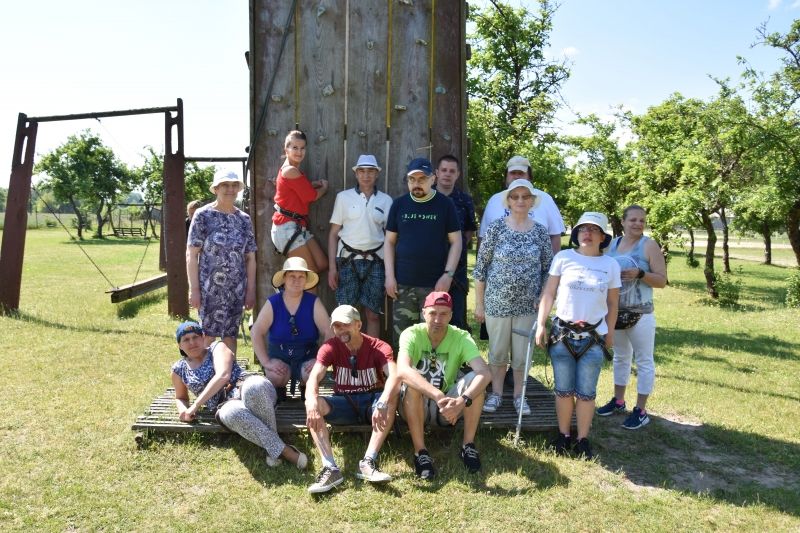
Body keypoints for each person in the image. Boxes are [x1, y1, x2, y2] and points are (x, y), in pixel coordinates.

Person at [535, 212, 620, 460]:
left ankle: (582, 439)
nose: (587, 233)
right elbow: (549, 293)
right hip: (562, 335)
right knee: (563, 390)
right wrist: (541, 324)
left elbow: (613, 303)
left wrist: (610, 332)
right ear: (576, 234)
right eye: (583, 229)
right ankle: (563, 436)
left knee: (586, 392)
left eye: (594, 230)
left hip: (594, 338)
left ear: (602, 237)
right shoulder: (563, 258)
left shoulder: (611, 265)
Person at [171, 321, 307, 469]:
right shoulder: (179, 369)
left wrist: (196, 405)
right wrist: (183, 410)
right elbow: (181, 397)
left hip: (245, 386)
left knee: (255, 387)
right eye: (186, 339)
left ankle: (276, 450)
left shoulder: (217, 347)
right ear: (179, 345)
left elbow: (223, 375)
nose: (192, 342)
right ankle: (283, 450)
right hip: (225, 404)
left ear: (203, 337)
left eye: (195, 337)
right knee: (231, 412)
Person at [473, 179, 553, 416]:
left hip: (528, 306)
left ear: (532, 201)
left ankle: (520, 396)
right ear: (508, 201)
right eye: (515, 196)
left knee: (521, 356)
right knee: (497, 353)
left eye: (525, 196)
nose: (520, 200)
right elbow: (480, 268)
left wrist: (542, 297)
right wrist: (479, 305)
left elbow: (549, 270)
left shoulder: (540, 232)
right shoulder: (496, 228)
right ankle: (496, 394)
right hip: (496, 304)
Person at [304, 305, 400, 493]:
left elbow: (395, 377)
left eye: (346, 325)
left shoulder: (379, 347)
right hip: (345, 402)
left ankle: (368, 461)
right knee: (314, 404)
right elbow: (314, 376)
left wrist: (382, 402)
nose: (341, 330)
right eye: (337, 326)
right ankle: (330, 468)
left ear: (358, 325)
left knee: (391, 397)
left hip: (372, 402)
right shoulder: (330, 347)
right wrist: (311, 401)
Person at [396, 292, 490, 478]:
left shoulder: (461, 337)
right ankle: (421, 452)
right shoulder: (411, 333)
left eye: (443, 314)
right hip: (416, 405)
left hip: (449, 407)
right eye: (433, 313)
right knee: (412, 382)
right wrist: (437, 395)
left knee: (477, 381)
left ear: (451, 315)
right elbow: (402, 370)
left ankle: (468, 445)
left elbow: (485, 372)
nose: (437, 320)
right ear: (424, 313)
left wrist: (462, 401)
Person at [596, 205, 667, 429]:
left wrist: (641, 274)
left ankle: (641, 410)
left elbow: (662, 281)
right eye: (633, 220)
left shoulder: (649, 245)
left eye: (642, 221)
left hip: (641, 313)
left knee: (644, 360)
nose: (638, 224)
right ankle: (618, 401)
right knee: (620, 357)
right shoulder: (612, 245)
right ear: (623, 222)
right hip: (615, 312)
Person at [385, 158, 462, 345]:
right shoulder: (399, 205)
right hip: (403, 285)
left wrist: (448, 275)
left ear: (433, 179)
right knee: (403, 342)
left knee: (432, 341)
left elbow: (457, 242)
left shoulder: (445, 204)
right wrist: (390, 277)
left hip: (434, 285)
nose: (417, 184)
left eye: (422, 179)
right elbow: (389, 242)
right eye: (412, 179)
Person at [187, 170, 256, 353]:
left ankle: (229, 370)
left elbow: (250, 257)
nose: (230, 189)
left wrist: (250, 290)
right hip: (209, 289)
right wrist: (194, 290)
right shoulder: (203, 215)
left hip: (236, 289)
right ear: (216, 189)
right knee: (208, 335)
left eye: (234, 185)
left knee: (230, 336)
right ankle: (207, 370)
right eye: (225, 185)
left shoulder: (244, 220)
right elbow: (191, 255)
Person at [327, 154, 393, 338]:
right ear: (356, 174)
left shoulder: (386, 201)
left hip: (376, 261)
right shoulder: (343, 198)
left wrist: (390, 273)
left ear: (377, 174)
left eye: (370, 171)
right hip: (347, 260)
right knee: (345, 315)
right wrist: (332, 268)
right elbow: (333, 234)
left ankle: (371, 355)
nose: (366, 175)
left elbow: (390, 238)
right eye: (362, 171)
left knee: (373, 314)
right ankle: (345, 355)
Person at [250, 257, 331, 397]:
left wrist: (319, 360)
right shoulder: (273, 303)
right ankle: (278, 392)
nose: (296, 280)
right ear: (284, 279)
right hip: (280, 356)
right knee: (275, 376)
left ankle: (307, 390)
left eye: (301, 276)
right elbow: (256, 332)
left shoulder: (314, 302)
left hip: (307, 355)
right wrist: (267, 362)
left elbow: (329, 331)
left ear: (306, 280)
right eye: (292, 276)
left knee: (313, 372)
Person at [478, 155, 565, 256]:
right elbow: (483, 238)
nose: (516, 176)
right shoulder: (494, 200)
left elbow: (555, 235)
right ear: (506, 177)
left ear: (530, 177)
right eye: (512, 173)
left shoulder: (545, 199)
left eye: (521, 173)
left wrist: (553, 264)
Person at [271, 130, 329, 273]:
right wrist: (324, 188)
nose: (299, 152)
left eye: (302, 148)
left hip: (296, 226)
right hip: (286, 227)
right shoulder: (290, 170)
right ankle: (289, 286)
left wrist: (312, 184)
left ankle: (293, 285)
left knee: (322, 264)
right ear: (286, 150)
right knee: (309, 273)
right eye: (295, 148)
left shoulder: (293, 170)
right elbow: (311, 196)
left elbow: (298, 188)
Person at [434, 154, 477, 331]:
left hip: (457, 270)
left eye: (452, 171)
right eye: (444, 170)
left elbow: (470, 229)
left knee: (456, 318)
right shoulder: (427, 197)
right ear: (437, 173)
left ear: (458, 174)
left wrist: (456, 247)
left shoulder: (464, 200)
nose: (447, 174)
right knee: (431, 316)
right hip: (430, 266)